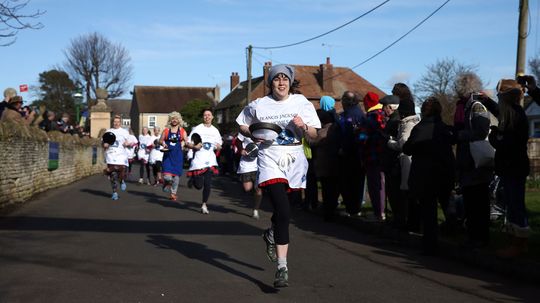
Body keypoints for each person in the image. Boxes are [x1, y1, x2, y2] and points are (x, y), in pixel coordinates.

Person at [236, 64, 321, 288]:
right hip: (269, 158)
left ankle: (272, 233)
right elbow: (242, 124)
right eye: (276, 79)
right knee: (282, 210)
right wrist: (254, 133)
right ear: (271, 83)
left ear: (290, 82)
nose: (281, 83)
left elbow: (313, 135)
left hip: (295, 159)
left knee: (287, 209)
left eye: (285, 79)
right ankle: (282, 267)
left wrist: (303, 126)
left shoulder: (301, 103)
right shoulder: (259, 105)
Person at [403, 97, 455, 255]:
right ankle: (454, 231)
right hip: (444, 171)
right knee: (447, 203)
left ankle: (430, 242)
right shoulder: (444, 128)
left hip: (424, 174)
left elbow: (407, 148)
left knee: (429, 209)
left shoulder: (420, 129)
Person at [488, 79, 530, 258]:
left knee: (515, 205)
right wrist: (486, 101)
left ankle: (518, 244)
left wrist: (494, 137)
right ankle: (515, 241)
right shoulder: (513, 113)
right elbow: (498, 111)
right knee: (512, 204)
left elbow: (508, 145)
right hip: (511, 167)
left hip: (513, 167)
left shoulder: (514, 116)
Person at [454, 72, 493, 248]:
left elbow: (481, 131)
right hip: (468, 160)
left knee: (478, 201)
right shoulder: (468, 106)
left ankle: (480, 236)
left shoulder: (476, 107)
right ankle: (474, 235)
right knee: (471, 200)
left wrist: (460, 135)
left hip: (475, 161)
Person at [387, 83, 420, 231]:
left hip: (407, 161)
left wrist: (390, 143)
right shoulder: (411, 122)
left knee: (407, 194)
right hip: (408, 161)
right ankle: (409, 221)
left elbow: (403, 144)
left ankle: (409, 222)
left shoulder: (407, 125)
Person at [308, 95, 341, 221]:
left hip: (324, 163)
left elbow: (313, 142)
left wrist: (307, 134)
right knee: (333, 187)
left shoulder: (323, 132)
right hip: (334, 161)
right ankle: (332, 208)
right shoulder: (337, 125)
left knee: (327, 188)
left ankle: (328, 211)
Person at [186, 108, 222, 213]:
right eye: (205, 115)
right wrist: (194, 146)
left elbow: (219, 144)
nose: (207, 117)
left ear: (212, 117)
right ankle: (193, 179)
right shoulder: (198, 129)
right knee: (199, 186)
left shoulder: (215, 130)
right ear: (203, 117)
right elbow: (188, 143)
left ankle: (204, 205)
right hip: (198, 161)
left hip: (210, 161)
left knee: (208, 184)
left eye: (209, 115)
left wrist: (219, 146)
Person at [358, 92, 387, 221]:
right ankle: (383, 212)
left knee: (374, 186)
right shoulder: (384, 115)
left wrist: (358, 133)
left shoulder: (369, 119)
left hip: (371, 155)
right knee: (382, 185)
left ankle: (378, 214)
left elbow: (362, 139)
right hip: (383, 155)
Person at [337, 91, 366, 217]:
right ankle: (356, 208)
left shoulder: (349, 115)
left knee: (349, 182)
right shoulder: (361, 114)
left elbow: (347, 134)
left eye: (342, 101)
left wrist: (344, 148)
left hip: (350, 153)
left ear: (346, 102)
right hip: (359, 153)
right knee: (358, 182)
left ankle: (351, 209)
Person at [379, 94, 402, 226]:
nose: (383, 109)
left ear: (391, 107)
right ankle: (396, 217)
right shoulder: (392, 119)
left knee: (394, 193)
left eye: (385, 107)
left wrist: (385, 137)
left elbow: (394, 139)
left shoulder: (395, 121)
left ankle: (398, 218)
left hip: (392, 161)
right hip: (389, 161)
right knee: (391, 192)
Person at [102, 115, 133, 200]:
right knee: (113, 175)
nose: (116, 123)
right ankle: (114, 192)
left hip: (121, 155)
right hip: (111, 155)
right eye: (115, 122)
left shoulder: (124, 132)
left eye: (118, 122)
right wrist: (105, 145)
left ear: (120, 123)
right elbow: (104, 143)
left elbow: (130, 142)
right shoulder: (108, 131)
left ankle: (122, 180)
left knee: (121, 169)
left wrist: (127, 143)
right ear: (113, 122)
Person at [160, 112, 187, 201]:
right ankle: (166, 183)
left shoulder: (182, 131)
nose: (174, 120)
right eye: (173, 119)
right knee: (167, 176)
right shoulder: (166, 131)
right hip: (168, 156)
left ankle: (173, 193)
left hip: (178, 156)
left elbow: (186, 141)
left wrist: (184, 144)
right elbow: (161, 140)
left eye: (176, 119)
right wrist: (164, 144)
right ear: (170, 120)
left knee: (176, 177)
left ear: (179, 120)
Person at [236, 133, 263, 219]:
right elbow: (238, 141)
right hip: (246, 164)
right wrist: (241, 149)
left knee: (258, 190)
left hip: (260, 164)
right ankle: (252, 192)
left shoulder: (262, 129)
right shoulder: (245, 128)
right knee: (247, 188)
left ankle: (255, 210)